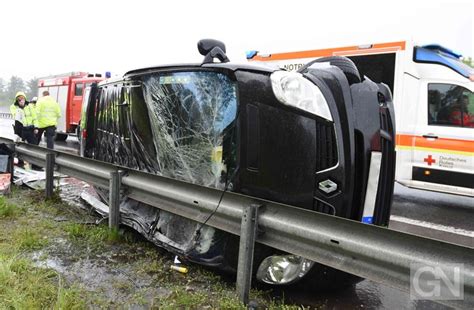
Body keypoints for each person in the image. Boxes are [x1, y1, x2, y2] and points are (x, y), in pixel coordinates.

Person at [9, 91, 39, 168]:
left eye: (22, 98)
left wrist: (36, 127)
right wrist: (21, 107)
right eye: (19, 99)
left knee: (35, 147)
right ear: (16, 100)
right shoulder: (13, 106)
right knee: (19, 147)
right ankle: (20, 162)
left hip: (30, 129)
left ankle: (35, 164)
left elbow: (34, 117)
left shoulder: (30, 106)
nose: (21, 100)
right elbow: (16, 115)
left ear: (25, 98)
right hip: (20, 129)